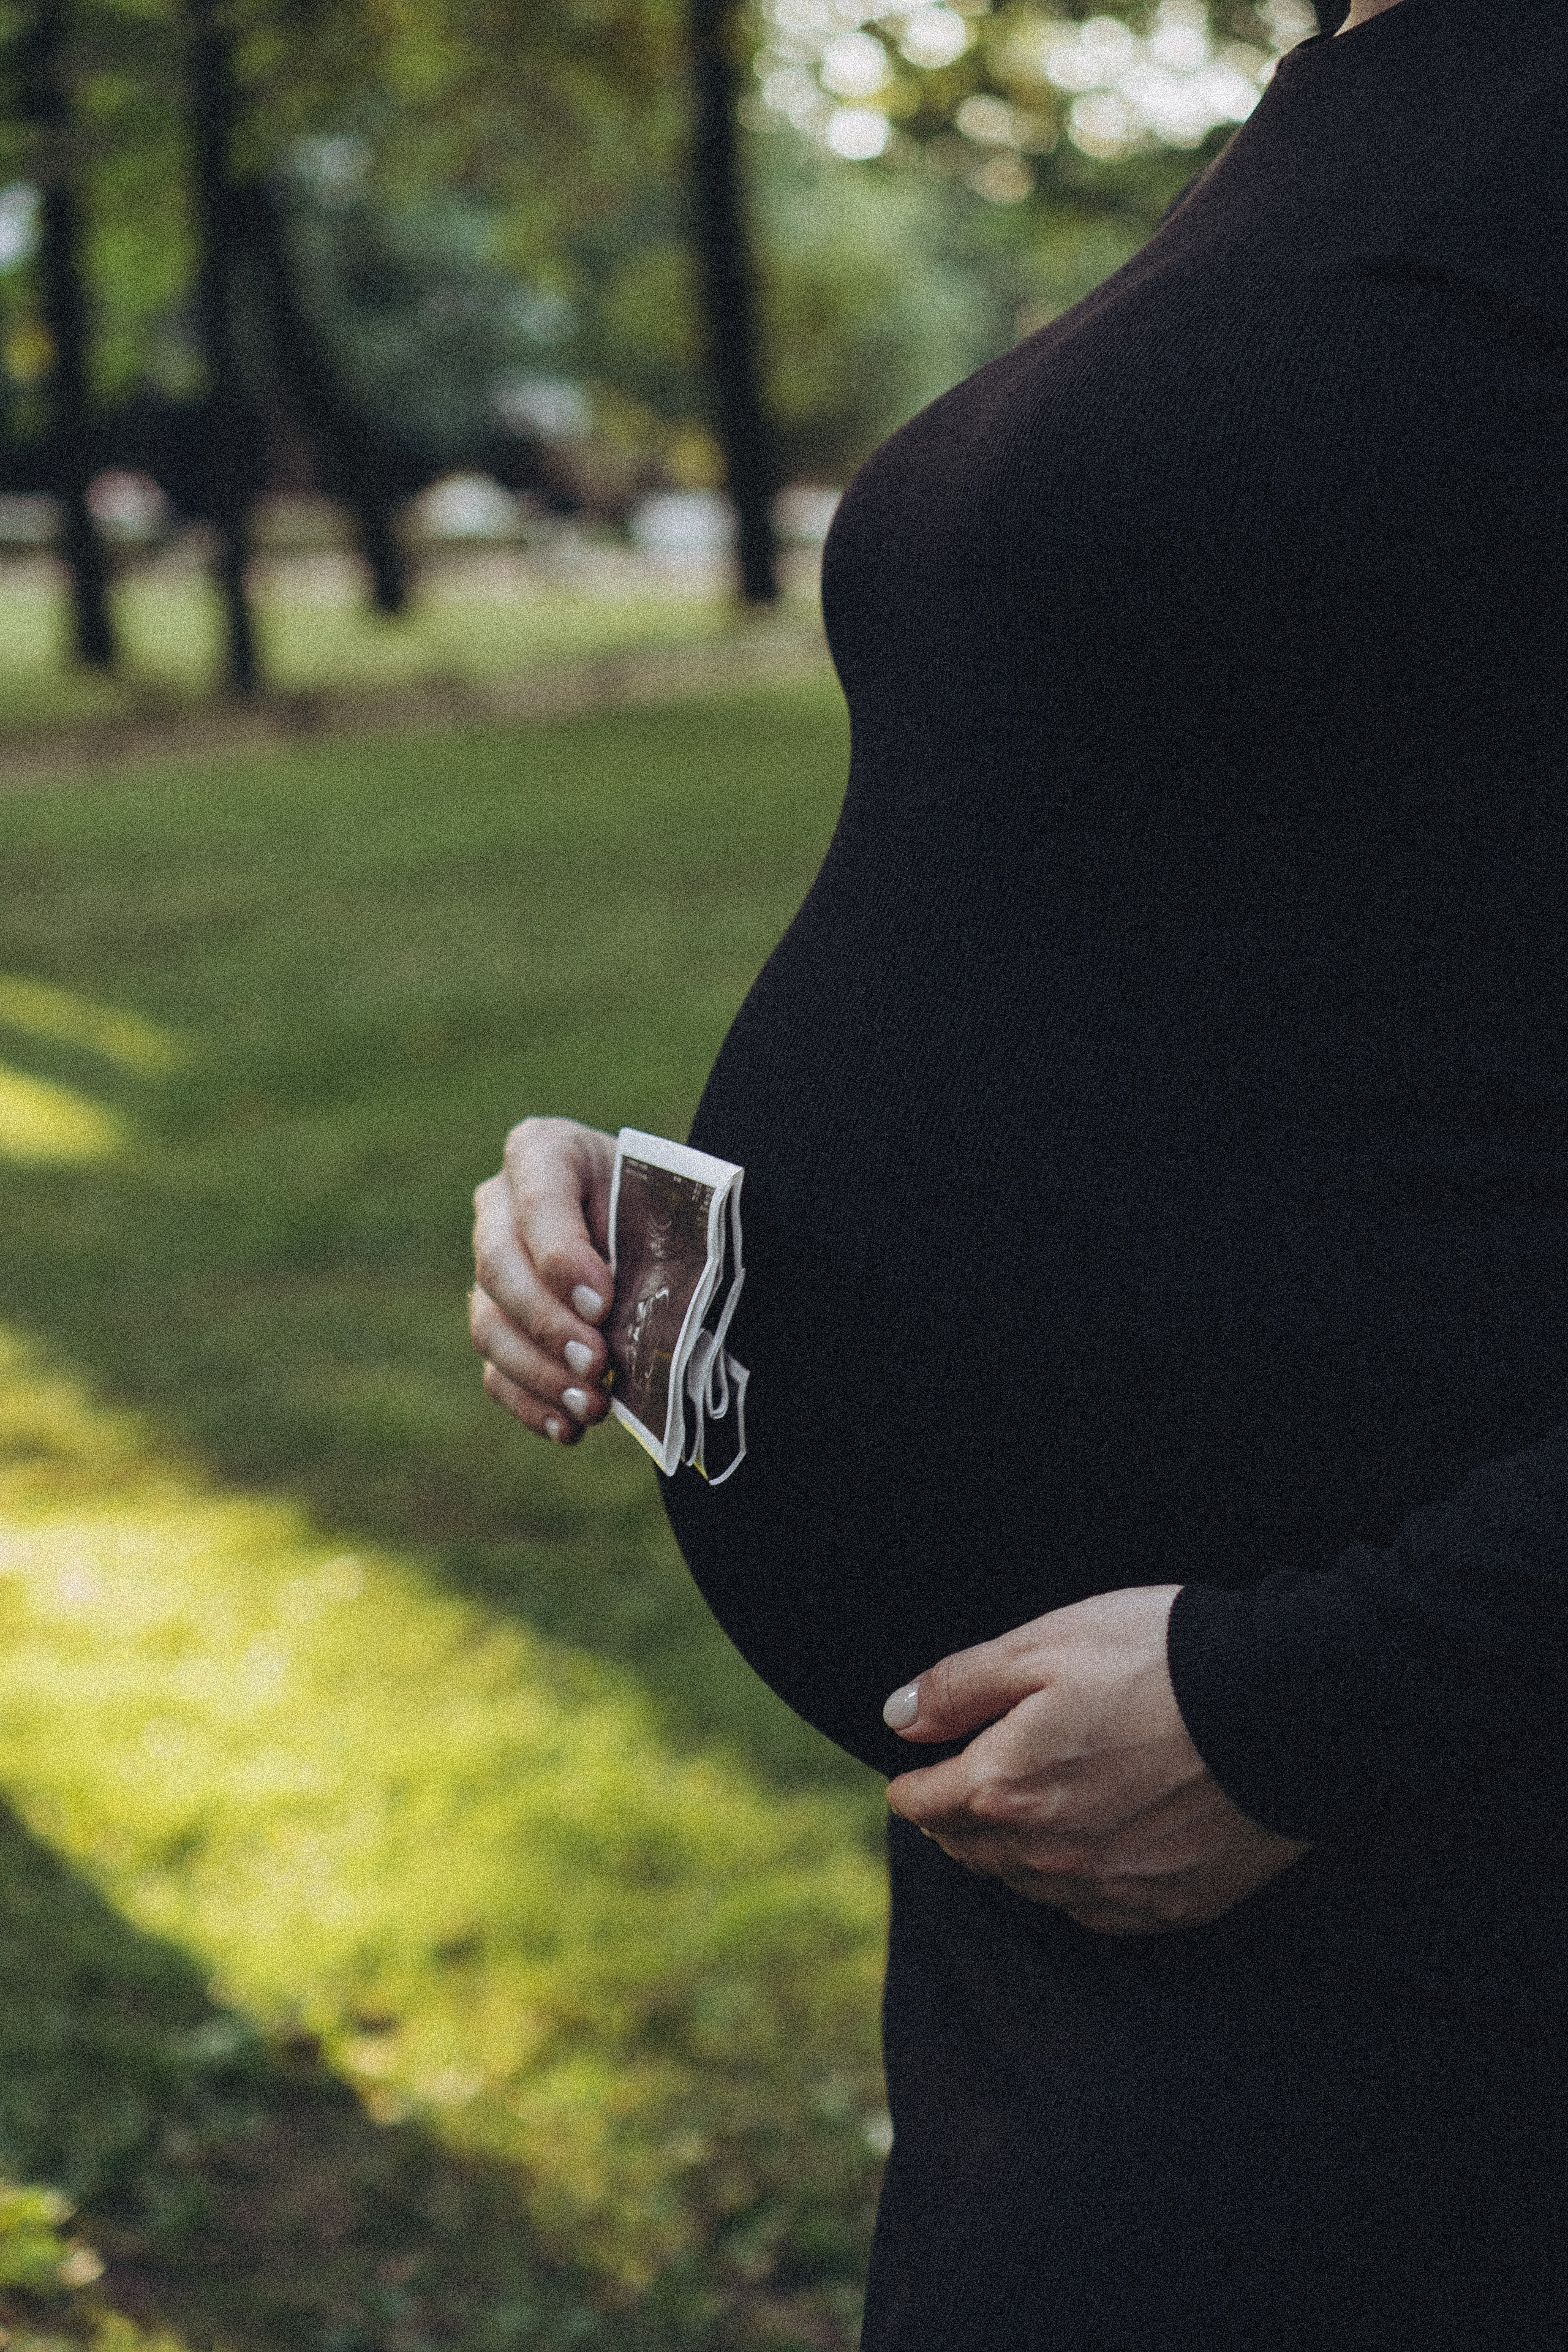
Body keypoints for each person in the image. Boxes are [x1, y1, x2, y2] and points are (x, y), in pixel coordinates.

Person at [470, 0, 1568, 2340]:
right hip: (1096, 1841)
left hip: (1412, 1844)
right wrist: (665, 1203)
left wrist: (1321, 1698)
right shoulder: (1360, 108)